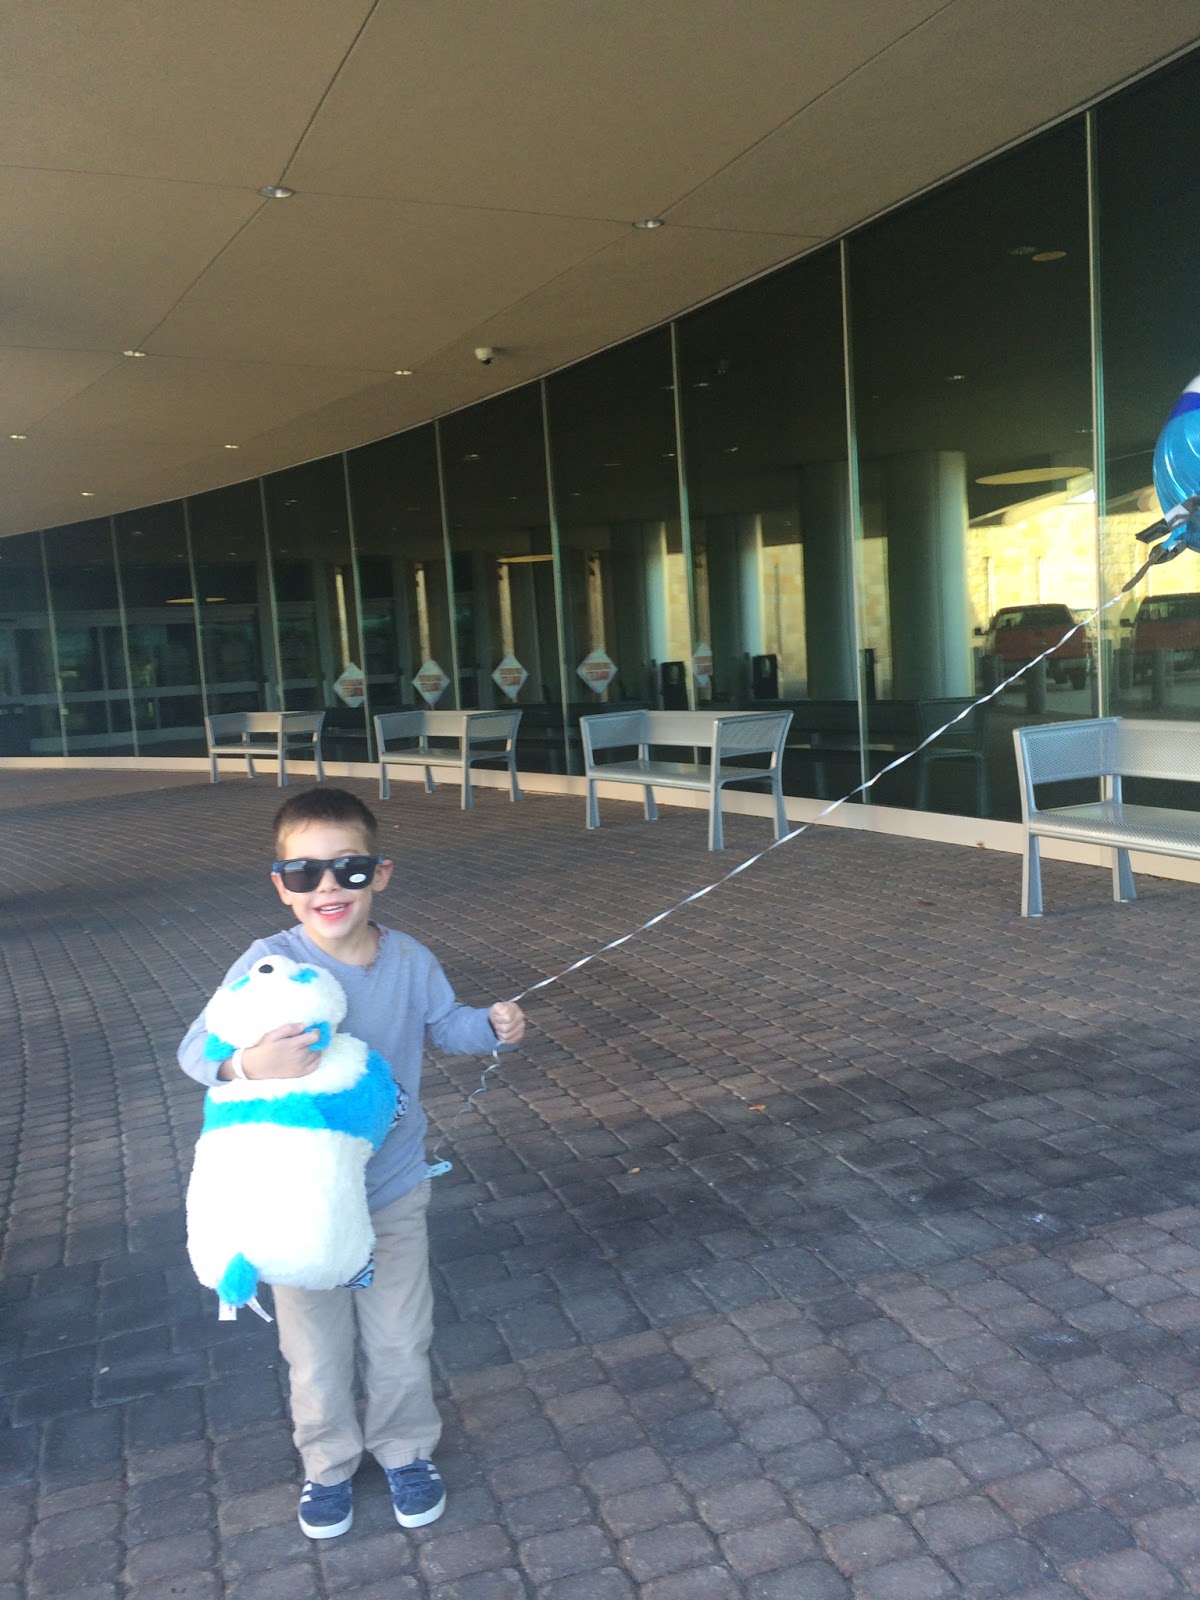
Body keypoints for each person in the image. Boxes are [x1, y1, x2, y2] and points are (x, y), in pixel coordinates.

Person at [178, 786, 525, 1539]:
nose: (328, 887)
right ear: (282, 885)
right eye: (304, 873)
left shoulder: (409, 959)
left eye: (349, 869)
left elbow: (447, 1026)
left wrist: (492, 1027)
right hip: (299, 1201)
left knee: (400, 1336)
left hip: (392, 1189)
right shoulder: (268, 963)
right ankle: (328, 1462)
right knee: (314, 1349)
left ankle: (405, 1450)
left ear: (381, 874)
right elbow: (196, 1051)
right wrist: (249, 1066)